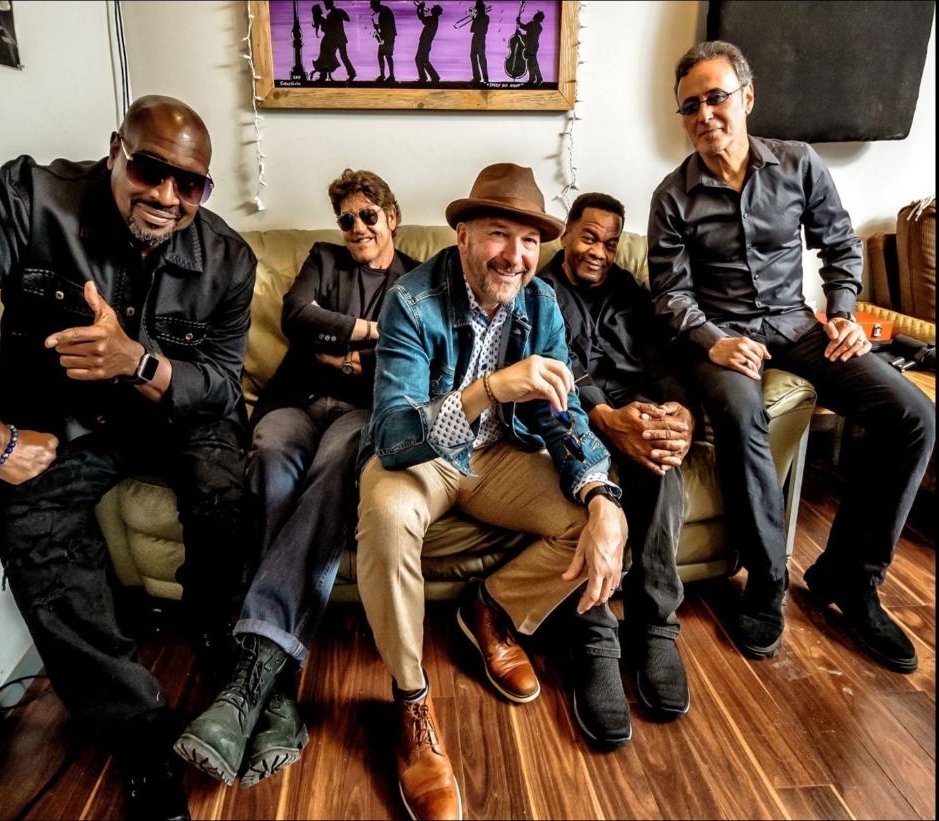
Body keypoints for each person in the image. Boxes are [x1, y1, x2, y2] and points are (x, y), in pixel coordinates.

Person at [0, 96, 257, 821]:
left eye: (189, 184)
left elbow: (224, 385)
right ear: (115, 151)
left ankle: (210, 622)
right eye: (150, 169)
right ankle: (141, 735)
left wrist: (140, 363)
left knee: (227, 486)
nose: (167, 196)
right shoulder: (33, 202)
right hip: (65, 423)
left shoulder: (229, 260)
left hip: (173, 413)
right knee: (30, 530)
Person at [648, 41, 935, 673]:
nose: (704, 115)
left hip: (798, 325)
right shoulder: (672, 195)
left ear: (747, 98)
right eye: (690, 106)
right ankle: (767, 578)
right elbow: (669, 293)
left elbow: (841, 245)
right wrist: (713, 340)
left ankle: (850, 579)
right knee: (740, 413)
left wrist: (843, 312)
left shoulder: (800, 163)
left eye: (716, 97)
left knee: (913, 415)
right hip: (722, 340)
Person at [357, 164, 630, 821]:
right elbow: (392, 435)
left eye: (530, 240)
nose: (515, 255)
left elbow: (561, 416)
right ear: (463, 236)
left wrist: (603, 494)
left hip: (499, 457)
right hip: (422, 459)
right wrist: (491, 388)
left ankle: (489, 607)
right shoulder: (411, 300)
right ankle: (411, 703)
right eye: (499, 234)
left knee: (595, 519)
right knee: (387, 515)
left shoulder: (542, 304)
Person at [174, 169, 419, 788]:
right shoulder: (323, 259)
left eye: (368, 216)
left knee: (338, 470)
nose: (357, 228)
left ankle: (253, 679)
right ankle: (277, 690)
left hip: (361, 411)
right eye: (347, 219)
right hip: (295, 400)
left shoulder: (418, 279)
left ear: (392, 217)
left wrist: (346, 351)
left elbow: (413, 351)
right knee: (272, 458)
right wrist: (368, 333)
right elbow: (296, 317)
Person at [540, 192, 695, 722]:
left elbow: (661, 361)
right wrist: (605, 416)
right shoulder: (538, 291)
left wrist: (677, 411)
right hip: (573, 414)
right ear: (566, 234)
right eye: (589, 238)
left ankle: (654, 626)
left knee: (661, 466)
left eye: (609, 243)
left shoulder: (631, 291)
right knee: (588, 476)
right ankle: (593, 636)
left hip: (635, 406)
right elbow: (553, 366)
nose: (599, 252)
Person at [415, 1, 442, 84]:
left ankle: (425, 77)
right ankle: (433, 77)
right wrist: (420, 9)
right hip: (426, 42)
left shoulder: (432, 19)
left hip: (425, 42)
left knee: (419, 59)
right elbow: (423, 19)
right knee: (424, 60)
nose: (431, 9)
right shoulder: (434, 19)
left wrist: (419, 9)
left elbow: (421, 18)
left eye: (433, 8)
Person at [370, 0, 397, 83]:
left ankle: (388, 76)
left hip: (387, 37)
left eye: (373, 7)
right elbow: (385, 25)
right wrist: (378, 27)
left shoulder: (384, 12)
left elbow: (386, 27)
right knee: (383, 55)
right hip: (387, 37)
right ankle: (387, 75)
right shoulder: (385, 10)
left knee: (385, 55)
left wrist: (377, 28)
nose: (373, 10)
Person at [517, 10, 544, 84]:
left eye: (536, 15)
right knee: (533, 62)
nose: (534, 15)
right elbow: (527, 30)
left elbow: (525, 28)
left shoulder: (532, 24)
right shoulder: (539, 27)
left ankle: (534, 78)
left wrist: (519, 23)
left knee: (531, 62)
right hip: (534, 46)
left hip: (530, 46)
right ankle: (536, 78)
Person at [468, 1, 490, 84]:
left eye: (478, 9)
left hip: (480, 37)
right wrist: (474, 18)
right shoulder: (479, 17)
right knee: (473, 56)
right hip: (476, 37)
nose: (477, 10)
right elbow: (471, 30)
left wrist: (474, 18)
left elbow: (478, 28)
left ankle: (484, 76)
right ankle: (477, 76)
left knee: (481, 56)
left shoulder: (485, 17)